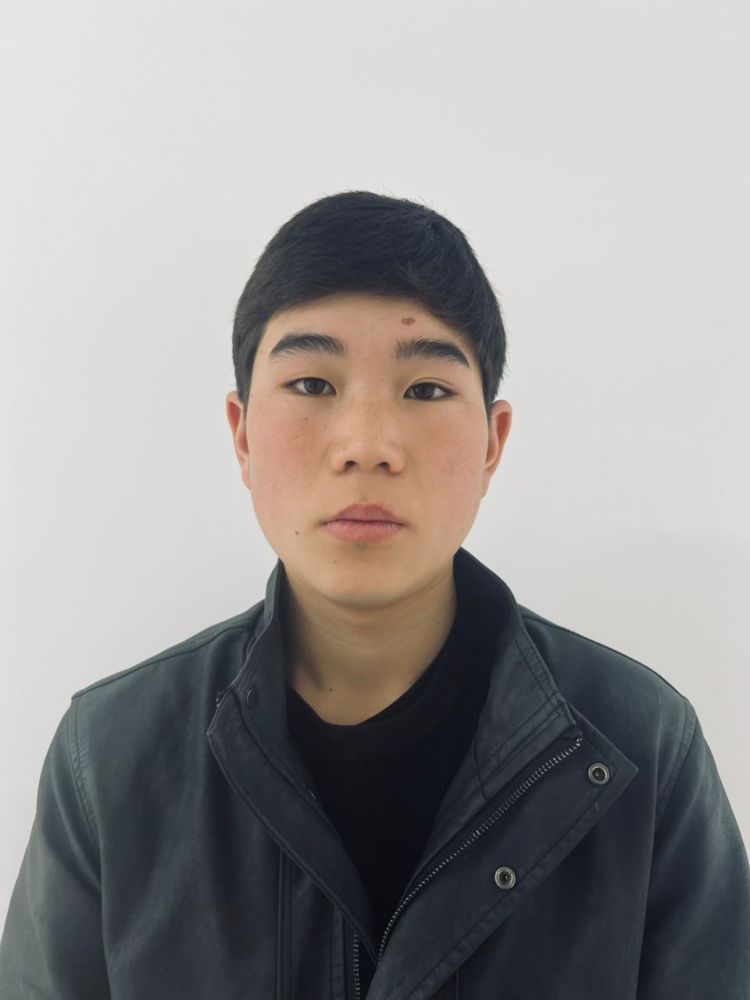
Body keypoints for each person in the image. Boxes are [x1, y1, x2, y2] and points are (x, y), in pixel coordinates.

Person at [1, 190, 748, 999]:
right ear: (242, 433)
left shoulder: (641, 746)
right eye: (311, 383)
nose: (366, 445)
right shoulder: (109, 755)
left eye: (425, 390)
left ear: (492, 444)